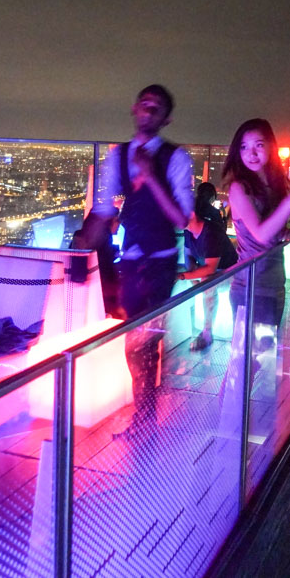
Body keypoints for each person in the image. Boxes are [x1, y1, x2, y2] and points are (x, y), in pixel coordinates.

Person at [92, 84, 194, 436]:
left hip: (161, 261)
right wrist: (83, 247)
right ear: (134, 108)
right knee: (137, 344)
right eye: (145, 103)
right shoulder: (117, 156)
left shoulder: (176, 158)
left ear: (166, 119)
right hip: (132, 261)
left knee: (144, 343)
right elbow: (103, 208)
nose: (149, 110)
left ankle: (145, 420)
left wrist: (150, 176)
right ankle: (145, 417)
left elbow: (181, 218)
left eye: (157, 107)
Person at [222, 118, 290, 331]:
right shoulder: (239, 188)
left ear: (271, 147)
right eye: (244, 147)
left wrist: (282, 233)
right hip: (250, 285)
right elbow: (260, 234)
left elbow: (270, 228)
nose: (251, 153)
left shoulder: (274, 186)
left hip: (274, 282)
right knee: (251, 351)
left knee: (265, 350)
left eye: (258, 145)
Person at [179, 207, 238, 351]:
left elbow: (210, 268)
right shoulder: (188, 232)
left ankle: (207, 332)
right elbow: (189, 257)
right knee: (199, 280)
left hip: (231, 272)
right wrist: (191, 275)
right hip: (213, 271)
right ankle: (184, 332)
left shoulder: (211, 231)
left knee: (206, 282)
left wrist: (185, 276)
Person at [70, 211, 121, 317]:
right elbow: (108, 277)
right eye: (117, 220)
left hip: (83, 300)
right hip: (101, 300)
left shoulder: (81, 244)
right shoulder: (103, 245)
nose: (119, 224)